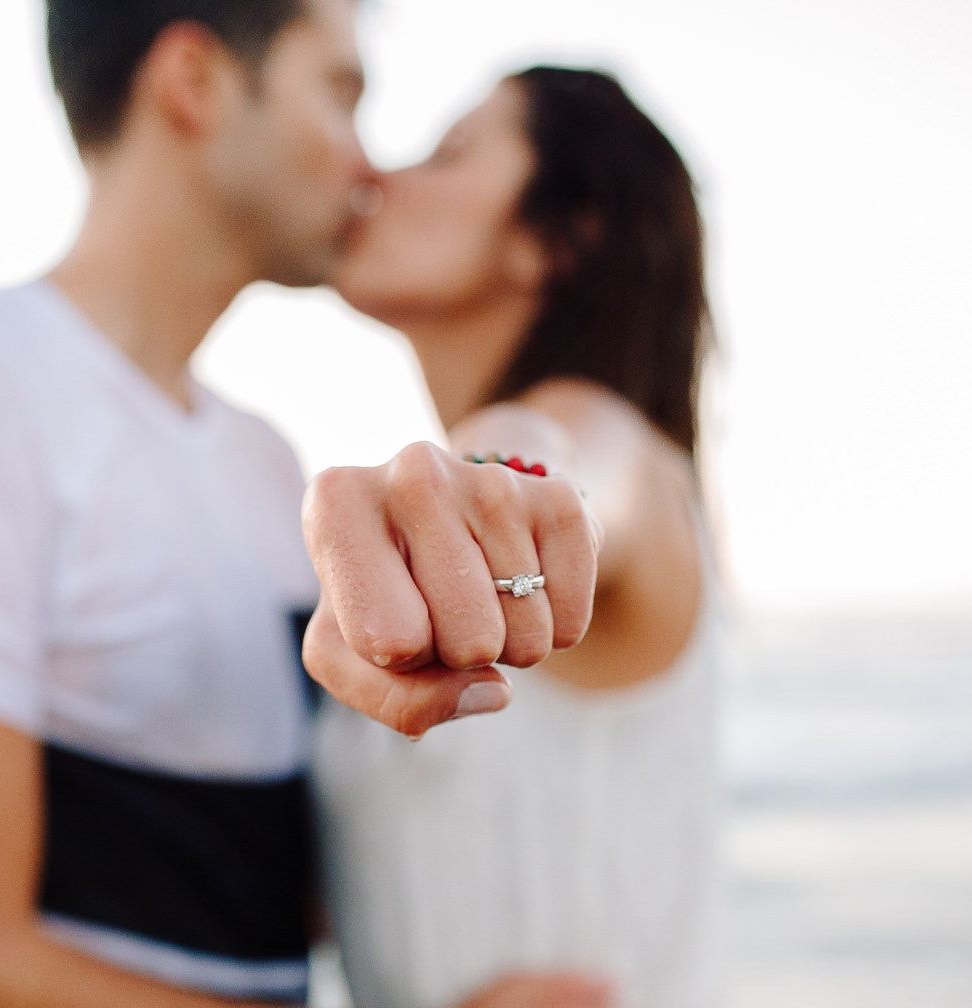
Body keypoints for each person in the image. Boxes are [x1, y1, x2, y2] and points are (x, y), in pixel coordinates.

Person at [0, 1, 602, 1005]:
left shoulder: (263, 464)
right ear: (195, 82)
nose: (367, 165)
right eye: (339, 93)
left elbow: (255, 886)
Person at [310, 67, 724, 1008]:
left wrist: (511, 476)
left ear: (553, 237)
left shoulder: (623, 457)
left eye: (449, 154)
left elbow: (581, 469)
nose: (382, 174)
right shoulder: (424, 574)